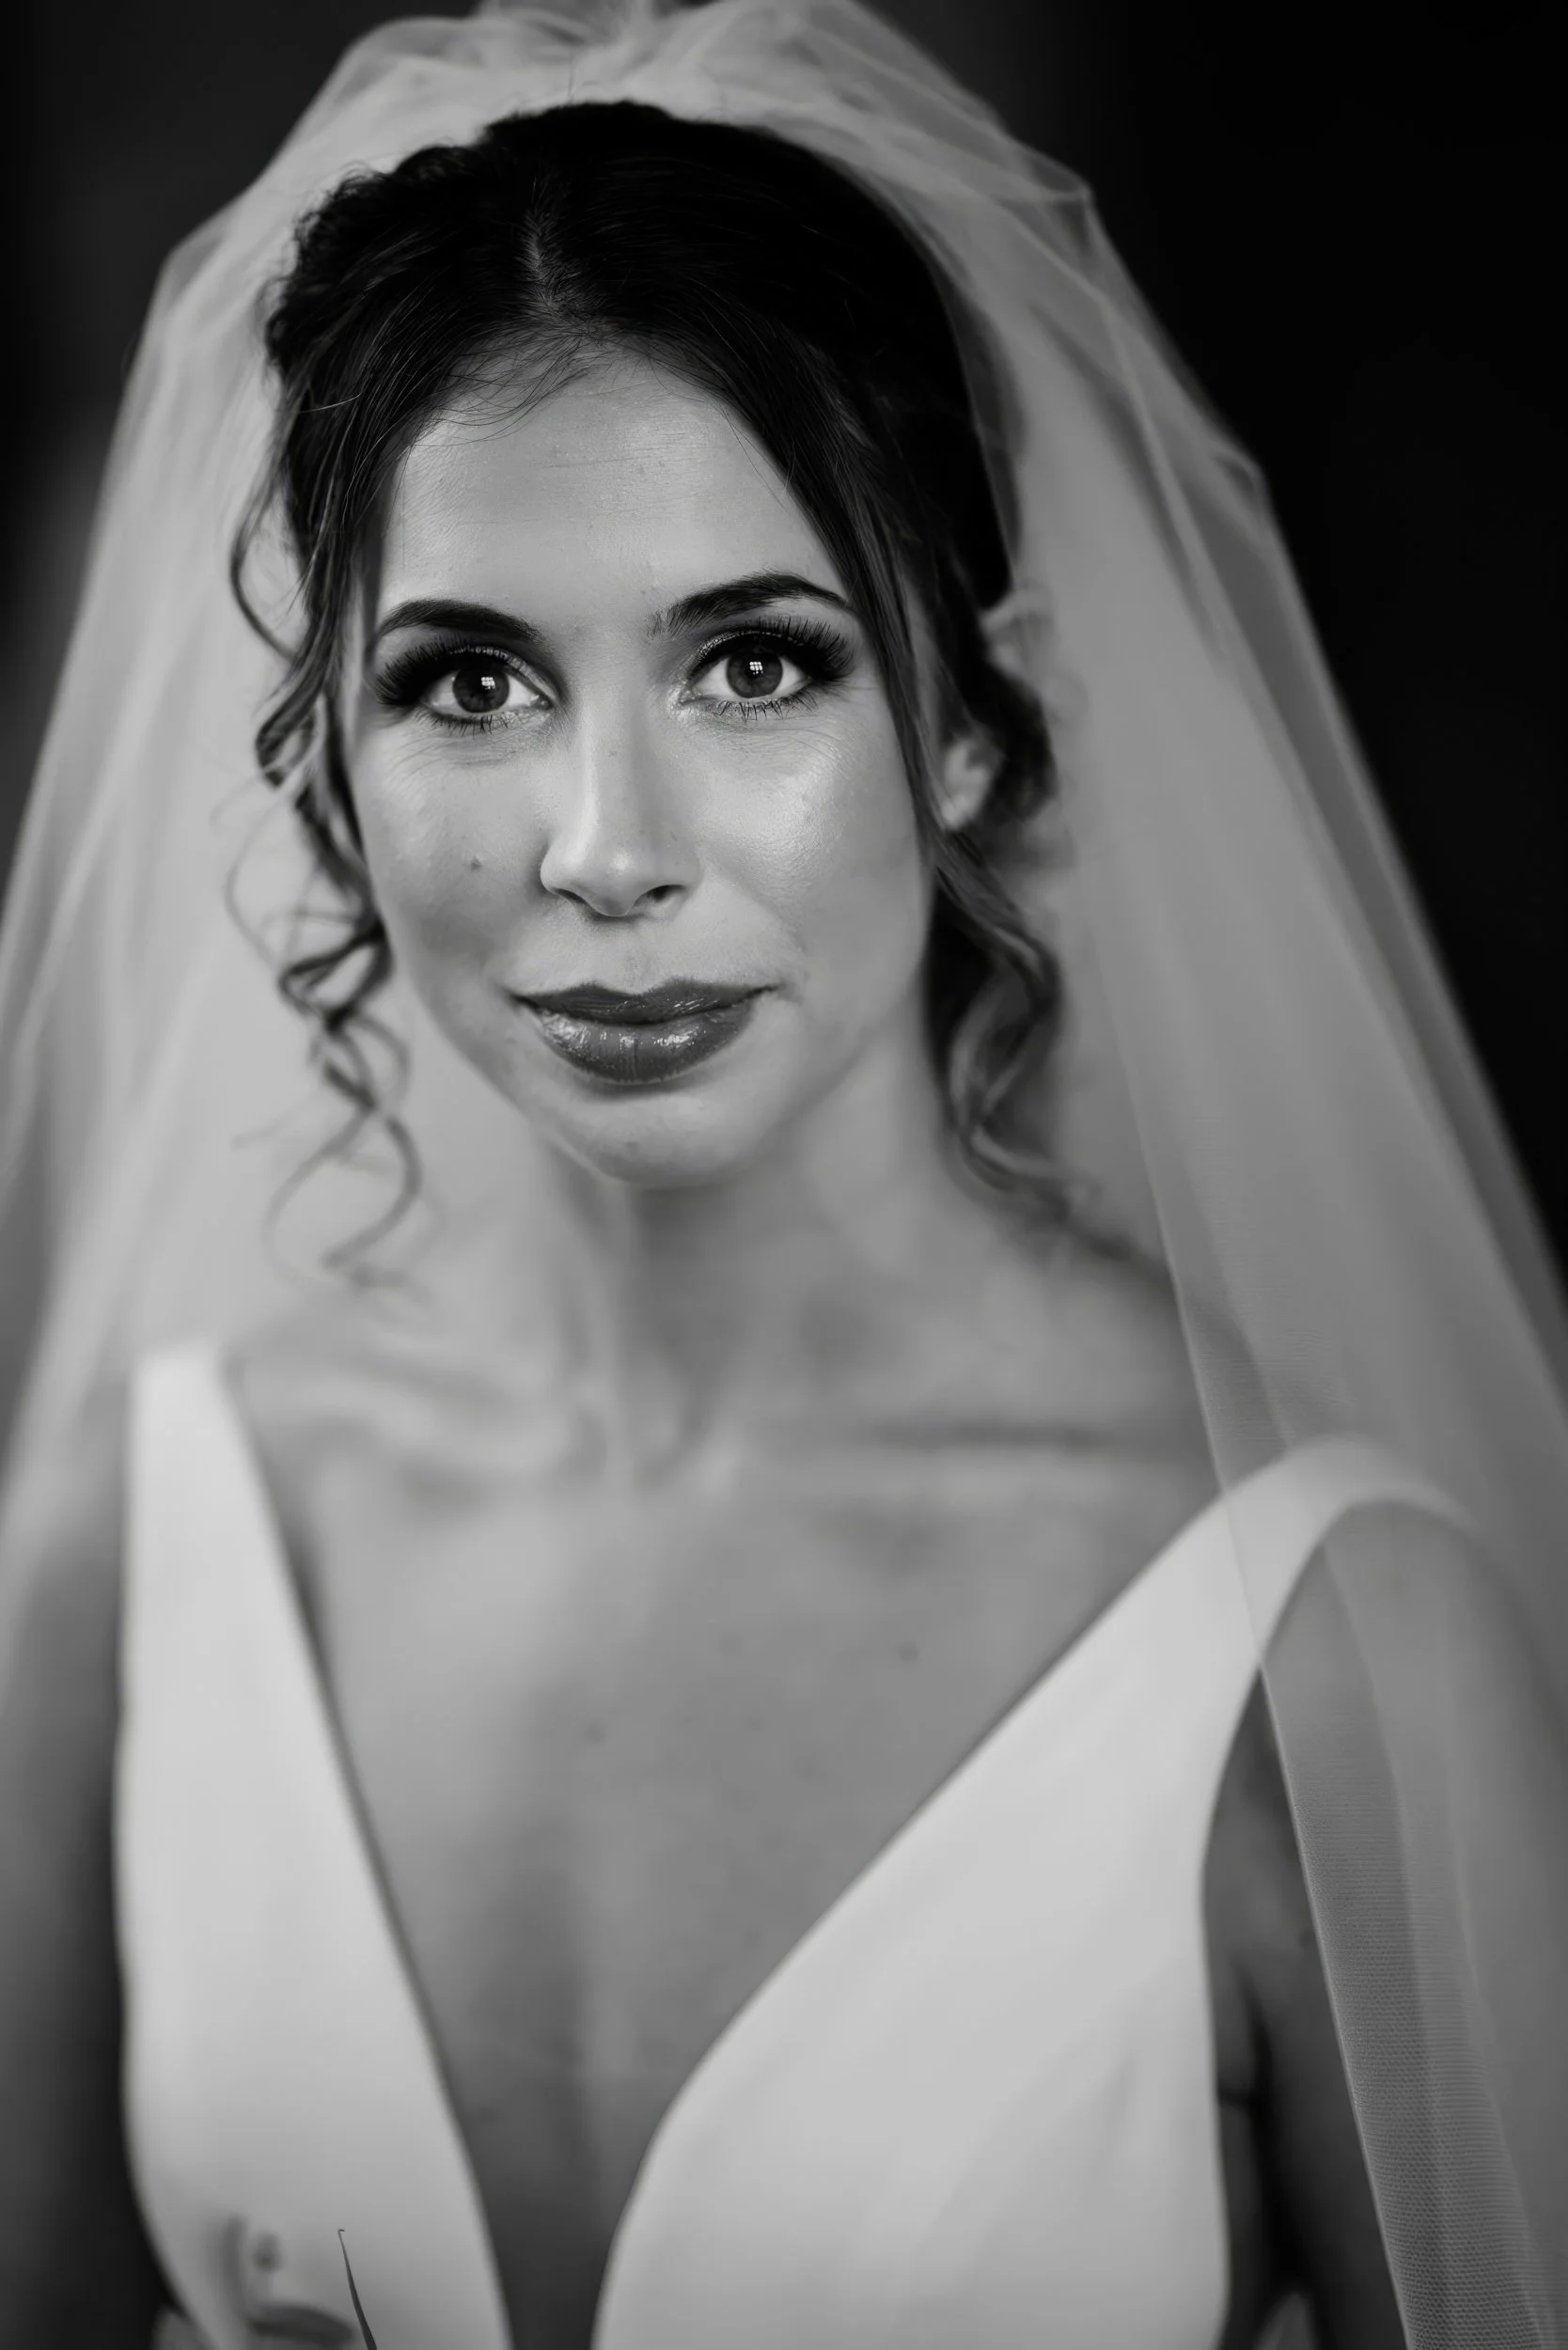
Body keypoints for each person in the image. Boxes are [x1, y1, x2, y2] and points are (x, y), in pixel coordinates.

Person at [2, 4, 1567, 2346]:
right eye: (465, 681)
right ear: (323, 765)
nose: (610, 849)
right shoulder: (144, 1552)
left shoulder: (1321, 1658)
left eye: (755, 664)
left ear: (959, 714)